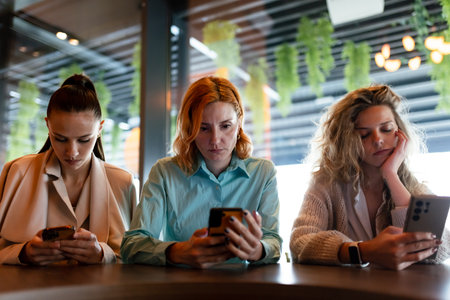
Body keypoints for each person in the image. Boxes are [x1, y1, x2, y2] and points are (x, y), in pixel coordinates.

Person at [121, 76, 281, 268]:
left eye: (225, 126)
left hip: (243, 290)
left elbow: (274, 242)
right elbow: (132, 245)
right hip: (184, 289)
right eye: (204, 128)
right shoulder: (165, 173)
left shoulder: (263, 173)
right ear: (190, 129)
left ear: (239, 124)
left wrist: (259, 250)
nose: (215, 140)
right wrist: (178, 252)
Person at [290, 85, 449, 270]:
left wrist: (391, 175)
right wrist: (363, 251)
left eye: (387, 129)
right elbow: (300, 242)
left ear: (400, 132)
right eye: (364, 135)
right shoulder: (328, 185)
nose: (378, 140)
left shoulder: (414, 187)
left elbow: (440, 249)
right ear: (348, 141)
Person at [0, 74, 137, 265]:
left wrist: (101, 255)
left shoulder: (124, 182)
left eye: (84, 140)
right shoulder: (16, 172)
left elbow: (139, 255)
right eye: (60, 138)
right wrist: (23, 253)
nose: (72, 152)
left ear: (100, 129)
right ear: (47, 125)